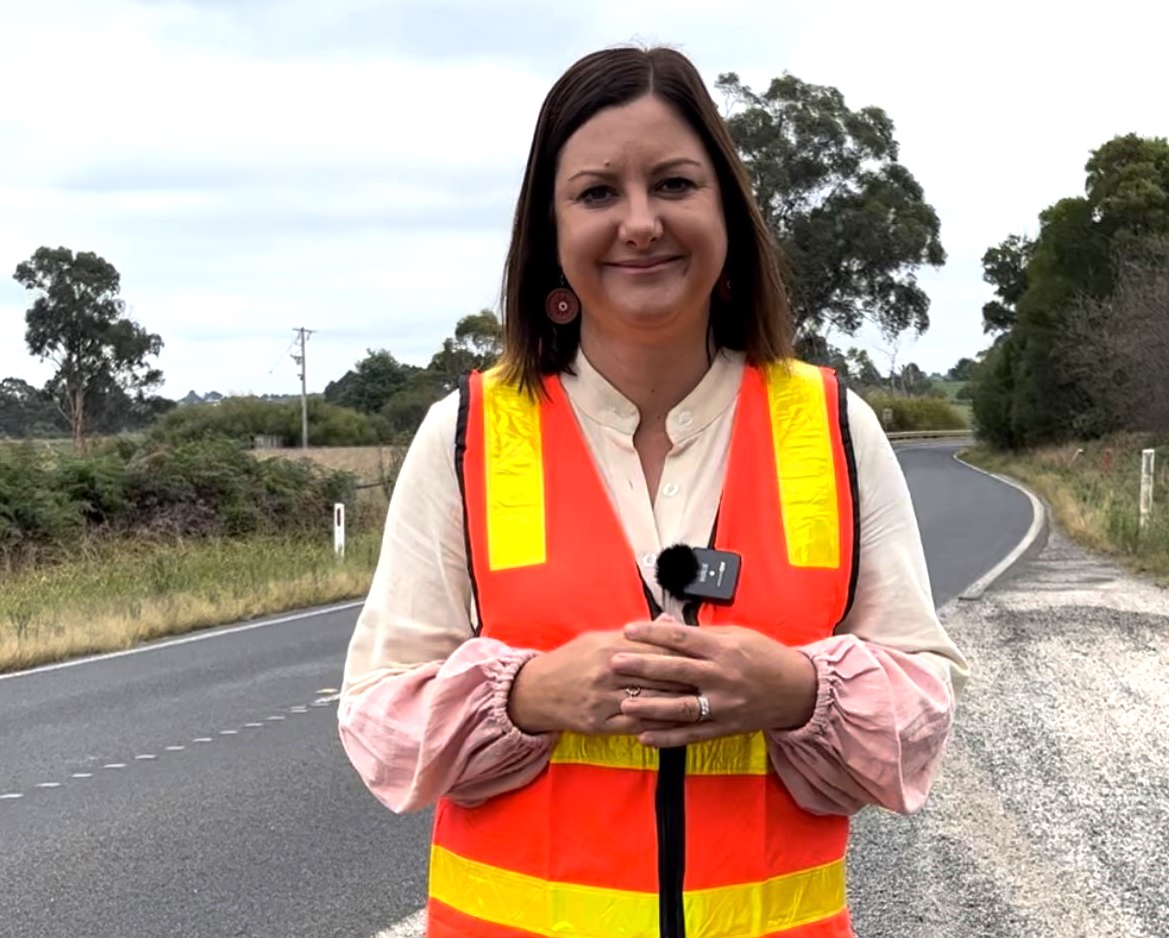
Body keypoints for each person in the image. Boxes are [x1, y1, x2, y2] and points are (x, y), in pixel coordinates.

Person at [338, 44, 969, 938]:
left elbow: (920, 718)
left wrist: (797, 690)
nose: (640, 222)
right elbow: (378, 722)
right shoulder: (469, 436)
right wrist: (528, 695)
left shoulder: (831, 429)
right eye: (598, 193)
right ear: (549, 233)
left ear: (727, 213)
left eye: (674, 184)